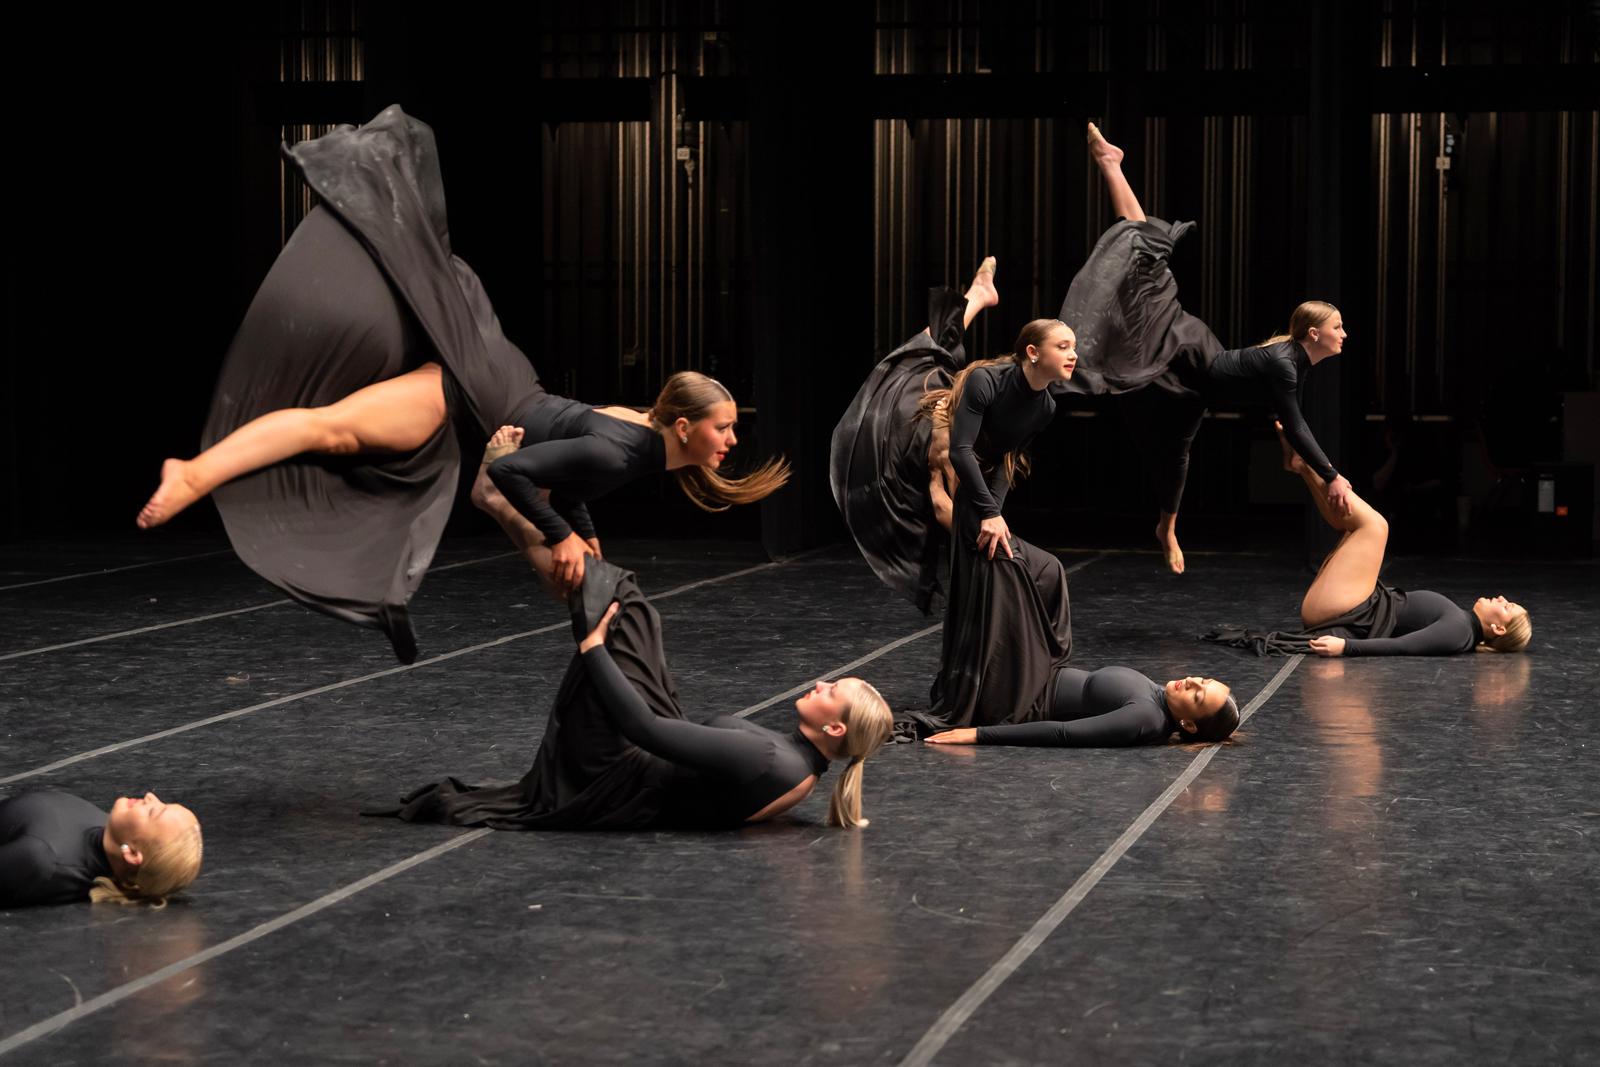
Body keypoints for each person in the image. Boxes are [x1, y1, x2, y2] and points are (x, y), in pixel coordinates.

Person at [135, 106, 786, 662]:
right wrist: (561, 531)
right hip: (470, 395)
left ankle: (587, 624)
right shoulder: (627, 450)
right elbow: (522, 470)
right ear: (683, 426)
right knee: (326, 429)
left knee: (559, 552)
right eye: (724, 426)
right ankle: (191, 474)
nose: (732, 437)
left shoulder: (638, 439)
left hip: (496, 385)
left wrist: (575, 525)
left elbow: (571, 464)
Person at [377, 561, 895, 830]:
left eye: (834, 691)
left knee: (621, 603)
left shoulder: (769, 758)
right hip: (638, 769)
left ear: (835, 729)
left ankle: (515, 506)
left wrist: (592, 649)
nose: (823, 683)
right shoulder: (802, 770)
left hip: (610, 773)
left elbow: (643, 731)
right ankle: (545, 519)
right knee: (634, 608)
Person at [1059, 123, 1350, 574]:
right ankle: (1110, 165)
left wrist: (1291, 448)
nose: (1343, 334)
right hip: (1186, 348)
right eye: (1338, 327)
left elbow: (1285, 419)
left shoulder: (1296, 363)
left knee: (1175, 456)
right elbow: (1296, 423)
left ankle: (1166, 528)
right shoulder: (1284, 364)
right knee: (1143, 257)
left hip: (1196, 387)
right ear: (1314, 334)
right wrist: (1331, 474)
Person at [1204, 426, 1531, 657]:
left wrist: (1346, 648)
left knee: (1376, 526)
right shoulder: (1462, 624)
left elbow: (1403, 647)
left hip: (1349, 611)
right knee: (1351, 528)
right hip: (1357, 604)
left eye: (1507, 606)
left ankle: (1314, 468)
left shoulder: (1460, 632)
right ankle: (1303, 467)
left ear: (1499, 630)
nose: (1502, 598)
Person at [911, 316, 1079, 733]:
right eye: (1062, 346)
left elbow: (1006, 460)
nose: (1073, 354)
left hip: (980, 470)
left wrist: (995, 516)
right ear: (1033, 353)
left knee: (1046, 568)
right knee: (978, 541)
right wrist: (987, 513)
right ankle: (970, 304)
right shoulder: (987, 381)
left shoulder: (1046, 407)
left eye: (1074, 346)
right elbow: (962, 451)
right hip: (942, 434)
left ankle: (1022, 676)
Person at [829, 260, 999, 613]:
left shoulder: (959, 390)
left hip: (922, 393)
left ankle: (978, 295)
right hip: (898, 423)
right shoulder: (948, 439)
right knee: (929, 351)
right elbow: (940, 504)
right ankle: (978, 295)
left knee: (933, 348)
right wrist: (990, 536)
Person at [923, 667, 1239, 747]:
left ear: (1189, 725)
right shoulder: (1159, 698)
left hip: (1018, 696)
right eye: (1204, 679)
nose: (1193, 681)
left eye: (1198, 696)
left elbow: (1064, 733)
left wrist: (978, 735)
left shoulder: (1146, 718)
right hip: (1034, 673)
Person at [0, 790, 203, 908]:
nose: (150, 796)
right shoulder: (107, 830)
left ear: (132, 854)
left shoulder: (42, 860)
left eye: (152, 812)